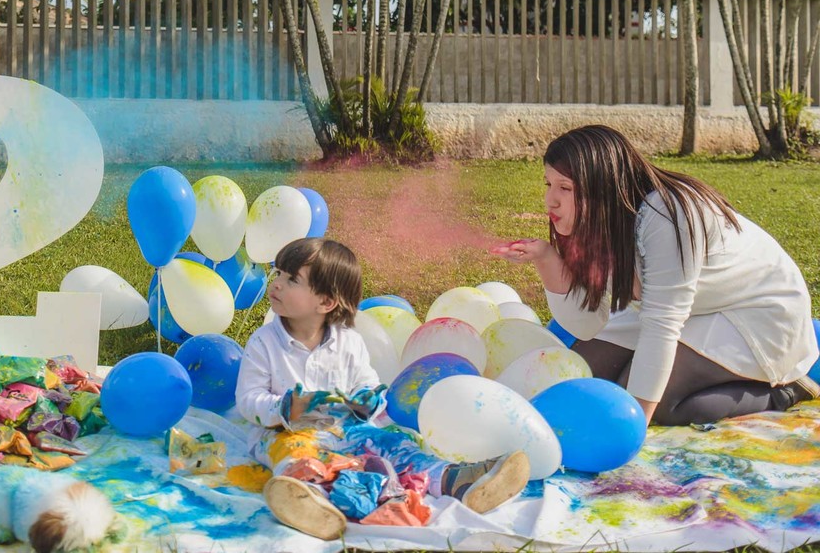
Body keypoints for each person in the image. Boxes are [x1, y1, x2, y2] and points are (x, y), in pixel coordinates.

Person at [492, 124, 819, 427]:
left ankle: (783, 390)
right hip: (693, 306)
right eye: (549, 184)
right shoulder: (599, 222)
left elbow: (662, 323)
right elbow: (585, 324)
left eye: (566, 187)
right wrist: (547, 259)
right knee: (585, 376)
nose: (551, 199)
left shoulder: (667, 216)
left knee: (656, 403)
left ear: (602, 186)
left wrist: (633, 428)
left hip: (756, 314)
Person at [236, 237, 530, 541]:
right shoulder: (264, 342)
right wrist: (285, 408)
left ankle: (454, 480)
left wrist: (368, 400)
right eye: (279, 273)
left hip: (344, 430)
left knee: (394, 444)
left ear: (325, 302)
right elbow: (247, 400)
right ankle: (307, 501)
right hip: (284, 432)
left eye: (292, 279)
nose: (277, 284)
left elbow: (367, 384)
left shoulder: (348, 342)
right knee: (296, 455)